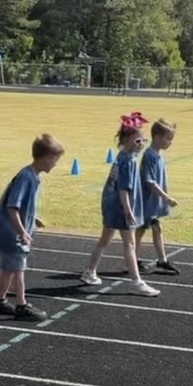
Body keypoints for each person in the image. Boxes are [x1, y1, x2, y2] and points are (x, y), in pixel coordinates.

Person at [80, 113, 160, 296]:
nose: (142, 144)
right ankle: (137, 282)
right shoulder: (129, 162)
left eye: (143, 140)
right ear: (128, 140)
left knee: (105, 239)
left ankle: (89, 272)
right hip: (120, 207)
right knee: (129, 244)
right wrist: (128, 210)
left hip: (109, 203)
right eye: (139, 140)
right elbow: (124, 189)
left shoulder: (121, 156)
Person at [0, 134, 65, 320]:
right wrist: (22, 231)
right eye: (55, 160)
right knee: (19, 268)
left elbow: (22, 206)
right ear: (46, 158)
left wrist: (33, 218)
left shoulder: (33, 176)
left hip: (11, 231)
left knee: (10, 267)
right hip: (10, 232)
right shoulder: (26, 177)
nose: (55, 164)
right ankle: (21, 305)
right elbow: (12, 206)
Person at [135, 119, 180, 275]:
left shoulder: (159, 155)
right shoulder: (150, 156)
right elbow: (149, 181)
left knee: (156, 228)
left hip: (153, 203)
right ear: (157, 137)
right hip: (146, 202)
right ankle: (134, 260)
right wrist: (166, 197)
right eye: (168, 139)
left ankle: (162, 260)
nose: (170, 143)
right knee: (140, 230)